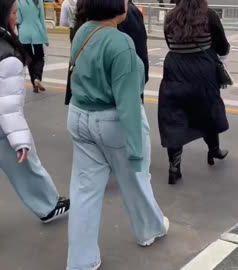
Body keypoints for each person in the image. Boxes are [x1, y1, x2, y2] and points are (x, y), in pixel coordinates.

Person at [66, 0, 170, 268]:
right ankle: (149, 229)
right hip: (111, 121)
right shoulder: (121, 43)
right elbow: (129, 105)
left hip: (79, 116)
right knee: (135, 180)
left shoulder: (83, 31)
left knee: (84, 192)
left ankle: (81, 261)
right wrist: (136, 153)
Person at [0, 0, 70, 253]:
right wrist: (20, 142)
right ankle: (49, 206)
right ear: (1, 13)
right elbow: (8, 107)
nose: (17, 17)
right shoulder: (6, 54)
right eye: (14, 12)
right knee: (28, 168)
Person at [159, 0, 231, 185]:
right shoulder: (209, 15)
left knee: (174, 116)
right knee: (208, 111)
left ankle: (174, 167)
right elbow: (223, 46)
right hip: (202, 70)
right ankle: (214, 150)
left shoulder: (170, 16)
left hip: (174, 67)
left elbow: (169, 42)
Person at [16, 0, 49, 93]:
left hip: (24, 33)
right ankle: (37, 77)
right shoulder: (39, 1)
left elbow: (19, 19)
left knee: (29, 59)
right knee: (39, 57)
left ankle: (34, 82)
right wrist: (45, 39)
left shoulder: (19, 1)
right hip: (37, 32)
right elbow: (42, 19)